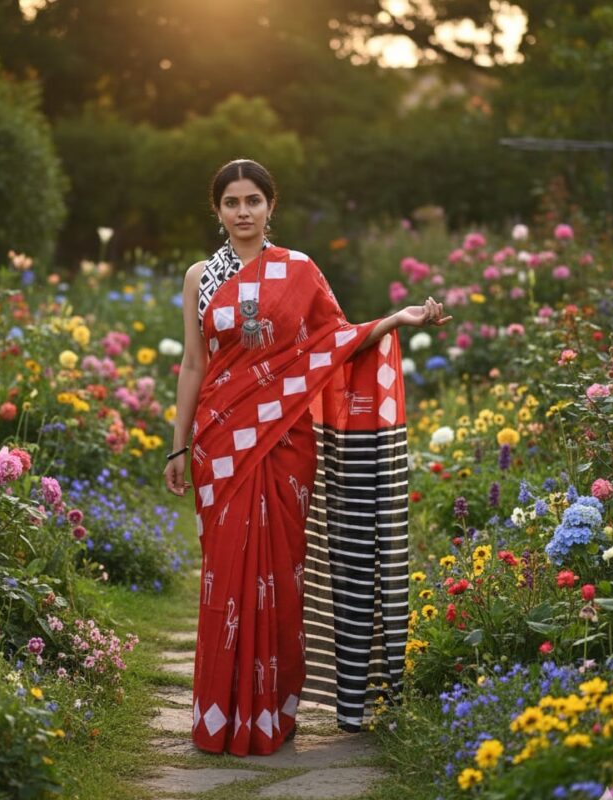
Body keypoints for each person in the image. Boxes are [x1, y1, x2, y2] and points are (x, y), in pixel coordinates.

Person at [163, 158, 451, 756]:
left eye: (253, 200)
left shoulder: (299, 270)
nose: (243, 211)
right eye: (232, 202)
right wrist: (179, 444)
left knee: (280, 573)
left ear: (271, 206)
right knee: (224, 571)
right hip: (220, 441)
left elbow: (334, 340)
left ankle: (273, 713)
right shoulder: (201, 277)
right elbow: (193, 363)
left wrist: (395, 320)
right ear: (217, 210)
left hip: (286, 441)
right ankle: (219, 714)